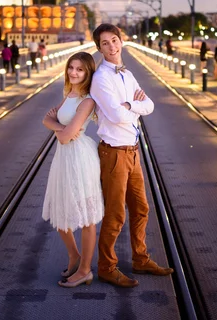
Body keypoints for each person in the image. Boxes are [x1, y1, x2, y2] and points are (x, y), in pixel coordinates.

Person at [90, 23, 174, 288]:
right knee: (115, 214)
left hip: (133, 151)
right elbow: (115, 116)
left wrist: (131, 106)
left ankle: (140, 258)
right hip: (114, 154)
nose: (112, 46)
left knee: (141, 208)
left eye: (114, 40)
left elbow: (149, 105)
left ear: (121, 41)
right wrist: (132, 108)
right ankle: (106, 266)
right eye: (105, 43)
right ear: (99, 48)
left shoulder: (127, 74)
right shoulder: (102, 78)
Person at [42, 51, 104, 288]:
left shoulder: (87, 101)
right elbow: (46, 120)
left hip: (79, 158)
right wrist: (60, 127)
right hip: (63, 157)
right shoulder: (69, 94)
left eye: (80, 69)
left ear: (88, 73)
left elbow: (67, 137)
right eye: (71, 68)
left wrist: (59, 129)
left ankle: (85, 270)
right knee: (60, 210)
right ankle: (74, 256)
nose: (74, 72)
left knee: (87, 218)